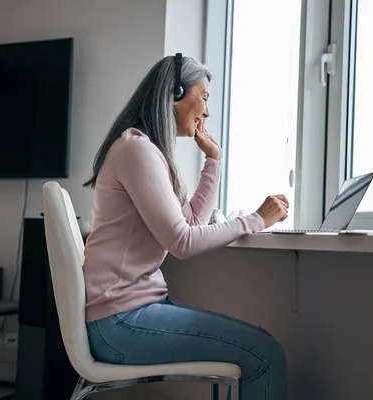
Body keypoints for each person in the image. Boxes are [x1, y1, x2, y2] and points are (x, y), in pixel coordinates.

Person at [82, 54, 289, 400]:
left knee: (262, 343)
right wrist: (256, 219)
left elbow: (190, 223)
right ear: (175, 93)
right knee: (267, 355)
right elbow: (183, 242)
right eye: (204, 96)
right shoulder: (136, 149)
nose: (207, 111)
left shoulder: (147, 151)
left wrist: (214, 160)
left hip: (130, 315)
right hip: (119, 324)